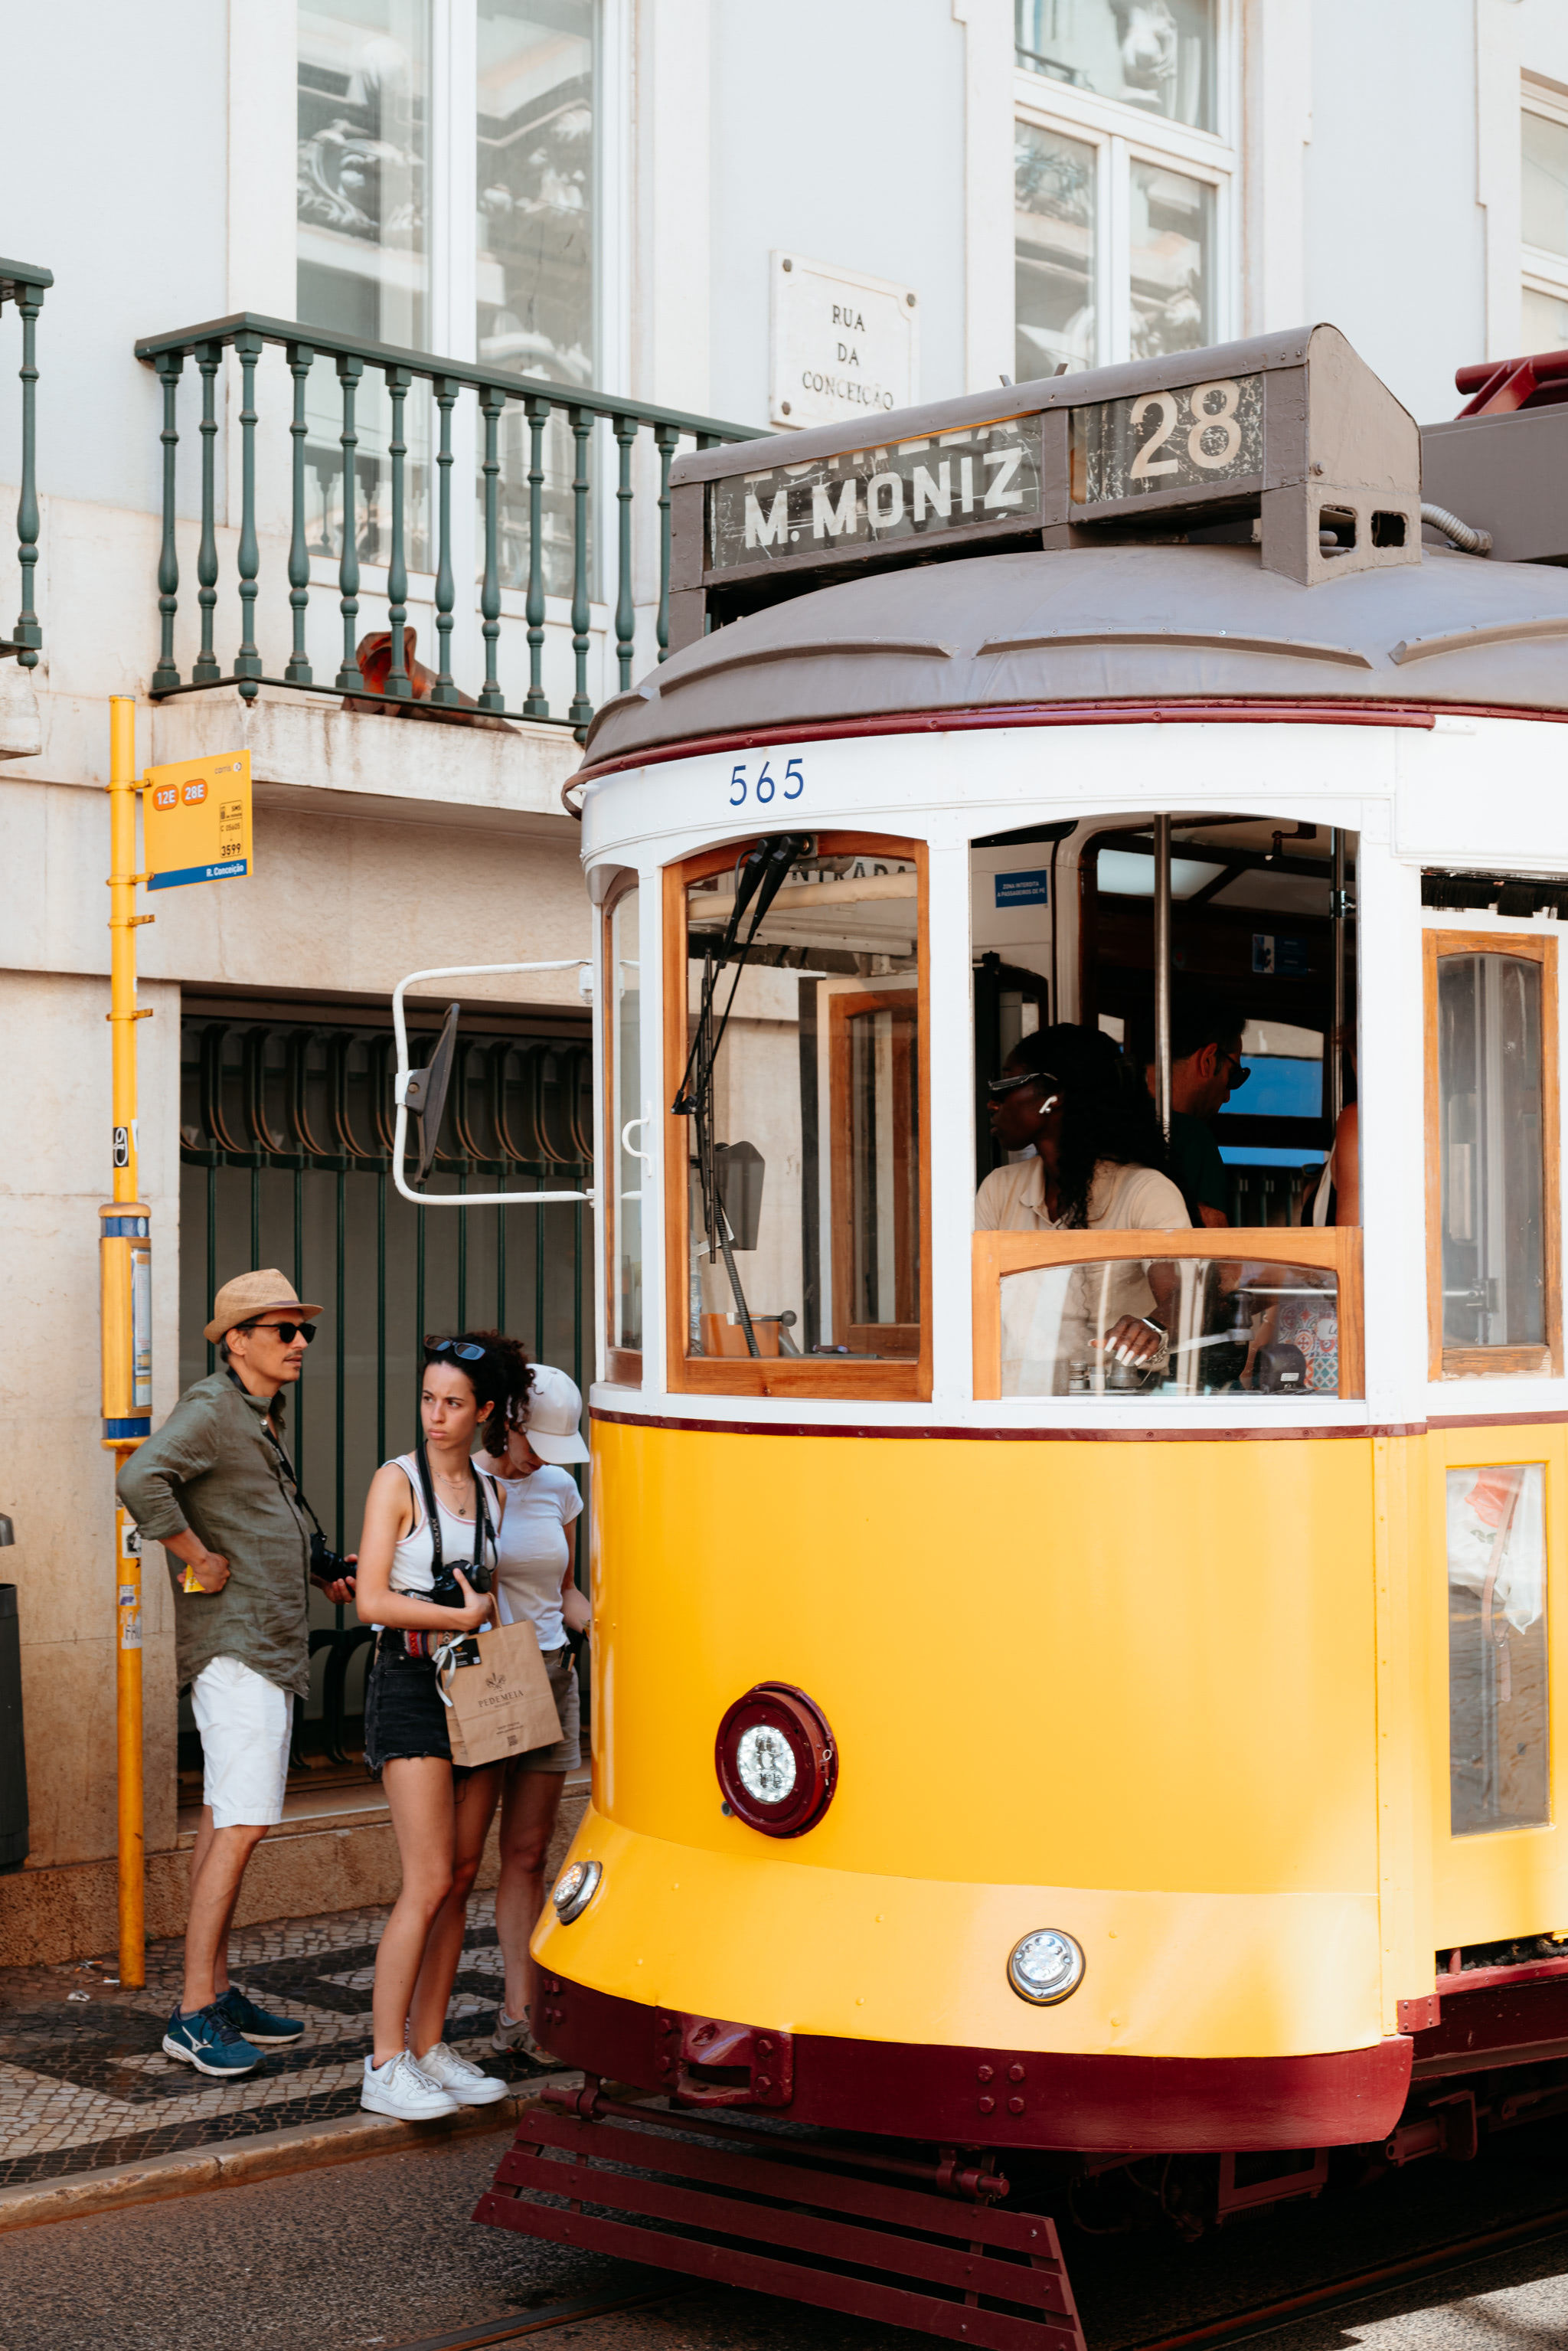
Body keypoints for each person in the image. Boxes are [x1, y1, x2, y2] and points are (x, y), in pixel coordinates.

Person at [119, 1271, 356, 2078]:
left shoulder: (252, 1414)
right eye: (280, 1330)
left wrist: (320, 1566)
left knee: (226, 1816)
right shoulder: (214, 1409)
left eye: (302, 1331)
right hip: (241, 1648)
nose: (297, 1344)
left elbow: (261, 1514)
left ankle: (215, 1990)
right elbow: (139, 1475)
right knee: (245, 1821)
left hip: (262, 1640)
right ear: (236, 1339)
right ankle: (191, 2012)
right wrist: (197, 1557)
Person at [354, 1331, 534, 2121]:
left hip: (474, 1688)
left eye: (452, 1402)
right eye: (428, 1398)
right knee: (426, 1877)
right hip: (407, 1680)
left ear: (484, 1410)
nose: (434, 1414)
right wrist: (455, 1612)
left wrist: (474, 1617)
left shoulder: (490, 1494)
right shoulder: (395, 1482)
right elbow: (368, 1600)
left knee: (463, 1875)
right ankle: (383, 2059)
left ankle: (428, 2045)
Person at [475, 1363, 590, 2062]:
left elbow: (565, 1591)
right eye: (534, 1442)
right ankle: (418, 2034)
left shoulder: (559, 1487)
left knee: (527, 1853)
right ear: (506, 1422)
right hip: (492, 1676)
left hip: (554, 1673)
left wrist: (605, 1626)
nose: (542, 1458)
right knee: (456, 1861)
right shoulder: (463, 1484)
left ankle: (519, 2010)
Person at [977, 1025, 1191, 1387]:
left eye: (1008, 1083)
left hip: (1115, 1403)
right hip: (1012, 1400)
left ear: (1052, 1096)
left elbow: (1184, 1295)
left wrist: (1151, 1326)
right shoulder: (999, 1188)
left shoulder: (1144, 1190)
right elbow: (972, 1300)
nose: (993, 1102)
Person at [1139, 996, 1250, 1228]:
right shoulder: (1192, 1137)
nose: (1227, 1097)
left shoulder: (1106, 1121)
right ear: (1208, 1060)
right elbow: (1215, 1255)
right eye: (1234, 1076)